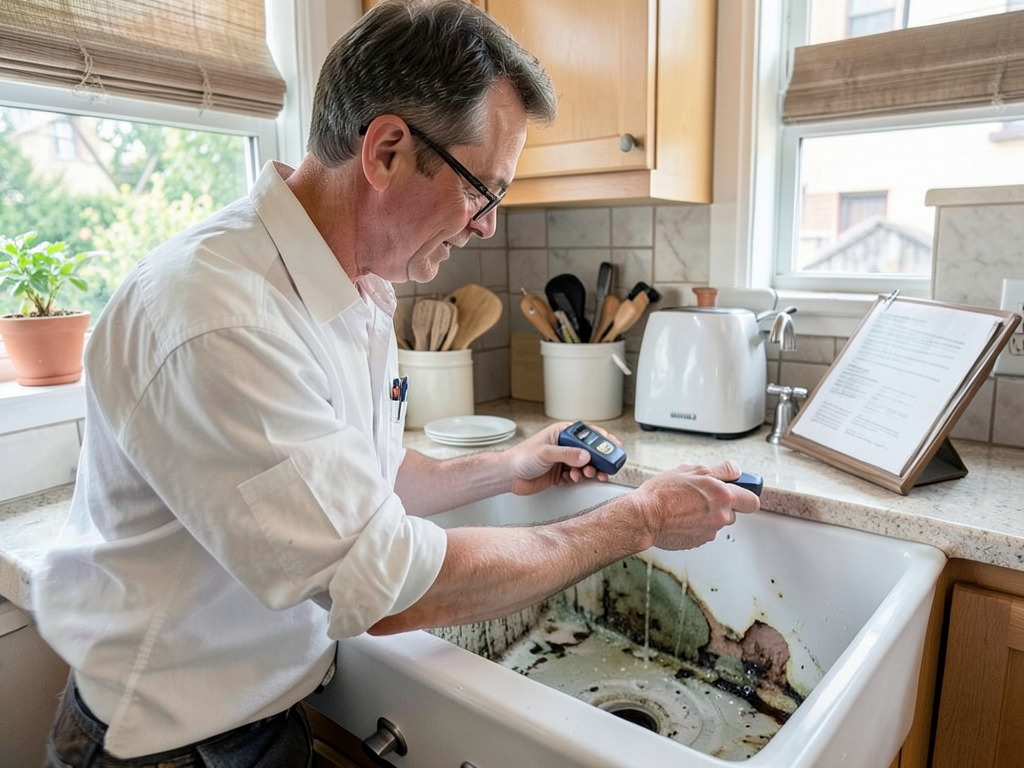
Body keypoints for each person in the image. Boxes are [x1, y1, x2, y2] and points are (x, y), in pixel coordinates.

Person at [34, 0, 760, 764]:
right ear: (385, 151)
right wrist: (636, 521)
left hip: (262, 716)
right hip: (166, 746)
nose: (486, 224)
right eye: (484, 190)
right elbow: (393, 588)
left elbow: (357, 482)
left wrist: (505, 467)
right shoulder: (221, 317)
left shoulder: (355, 287)